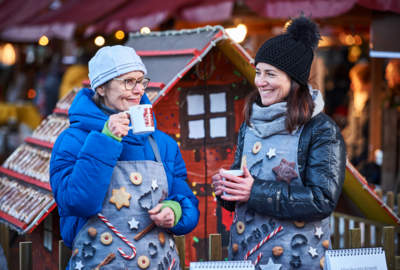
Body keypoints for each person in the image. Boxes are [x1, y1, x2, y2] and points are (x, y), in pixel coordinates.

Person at [212, 15, 346, 269]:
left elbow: (322, 200)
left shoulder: (320, 130)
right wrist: (227, 189)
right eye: (258, 72)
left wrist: (255, 191)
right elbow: (243, 188)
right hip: (247, 255)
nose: (259, 82)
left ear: (294, 81)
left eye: (270, 74)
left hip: (296, 258)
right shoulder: (251, 122)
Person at [50, 45, 199, 269]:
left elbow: (187, 203)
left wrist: (175, 211)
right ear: (101, 87)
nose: (139, 90)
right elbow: (79, 203)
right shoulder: (71, 141)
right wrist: (106, 140)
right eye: (128, 81)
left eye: (141, 81)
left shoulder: (163, 144)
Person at [342, 62, 371, 170]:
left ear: (365, 82)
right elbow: (351, 127)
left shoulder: (374, 103)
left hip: (365, 158)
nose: (352, 86)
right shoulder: (354, 99)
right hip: (351, 154)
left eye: (355, 81)